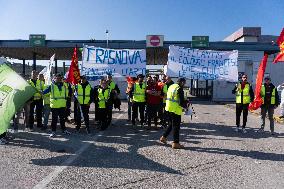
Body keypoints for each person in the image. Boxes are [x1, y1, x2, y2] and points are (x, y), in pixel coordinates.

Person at [159, 78, 188, 149]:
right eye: (184, 83)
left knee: (171, 124)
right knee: (176, 126)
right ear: (181, 82)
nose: (184, 85)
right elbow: (181, 102)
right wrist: (186, 106)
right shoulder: (179, 89)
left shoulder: (172, 86)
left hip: (168, 108)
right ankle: (176, 143)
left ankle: (163, 137)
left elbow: (174, 97)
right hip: (175, 109)